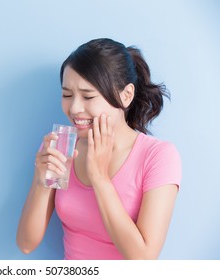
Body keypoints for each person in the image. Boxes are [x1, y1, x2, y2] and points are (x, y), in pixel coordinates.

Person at [16, 38, 182, 260]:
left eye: (88, 96)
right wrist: (41, 180)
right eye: (67, 95)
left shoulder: (158, 156)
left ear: (126, 95)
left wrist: (100, 178)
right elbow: (26, 244)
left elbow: (143, 259)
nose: (74, 108)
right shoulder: (62, 145)